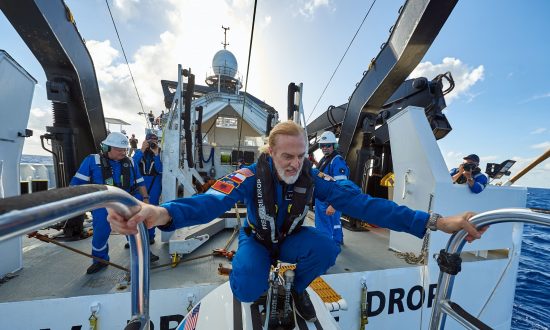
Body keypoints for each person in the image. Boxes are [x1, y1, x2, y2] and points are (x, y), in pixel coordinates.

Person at [107, 121, 486, 322]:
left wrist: (438, 222)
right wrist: (162, 214)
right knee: (246, 286)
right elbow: (209, 201)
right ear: (270, 153)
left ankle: (298, 288)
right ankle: (258, 288)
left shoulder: (313, 179)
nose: (294, 163)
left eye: (301, 155)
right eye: (287, 155)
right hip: (256, 240)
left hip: (291, 241)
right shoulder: (247, 176)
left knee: (326, 246)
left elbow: (370, 206)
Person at [70, 132, 158, 274]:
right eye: (119, 150)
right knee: (100, 232)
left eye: (124, 149)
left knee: (135, 227)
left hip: (127, 200)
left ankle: (143, 252)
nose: (123, 152)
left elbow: (140, 181)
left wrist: (146, 198)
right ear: (106, 148)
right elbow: (76, 184)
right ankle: (100, 260)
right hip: (102, 204)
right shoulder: (92, 161)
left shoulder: (130, 161)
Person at [127, 132, 162, 248]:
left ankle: (150, 236)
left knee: (152, 210)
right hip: (139, 186)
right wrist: (142, 150)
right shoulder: (139, 153)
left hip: (154, 185)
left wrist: (156, 154)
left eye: (155, 141)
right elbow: (131, 165)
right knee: (134, 211)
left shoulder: (160, 153)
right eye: (150, 141)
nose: (153, 144)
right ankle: (132, 237)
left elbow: (160, 170)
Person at [314, 131, 349, 245]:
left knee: (324, 227)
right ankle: (337, 241)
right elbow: (322, 173)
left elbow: (342, 184)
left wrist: (334, 205)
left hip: (329, 201)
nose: (325, 148)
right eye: (322, 145)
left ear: (334, 146)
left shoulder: (337, 161)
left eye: (328, 145)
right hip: (324, 200)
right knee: (334, 224)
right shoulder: (325, 159)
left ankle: (325, 250)